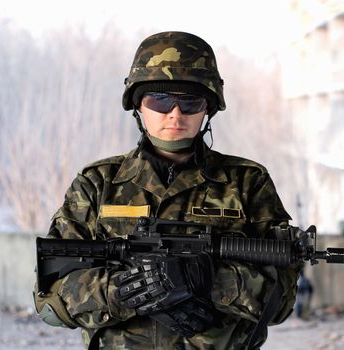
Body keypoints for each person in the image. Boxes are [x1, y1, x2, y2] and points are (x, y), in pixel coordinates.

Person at [33, 31, 300, 349]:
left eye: (190, 102)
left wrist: (207, 280)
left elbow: (281, 301)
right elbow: (50, 304)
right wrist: (126, 290)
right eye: (159, 100)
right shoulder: (97, 184)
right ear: (138, 106)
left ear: (207, 109)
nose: (175, 114)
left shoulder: (247, 182)